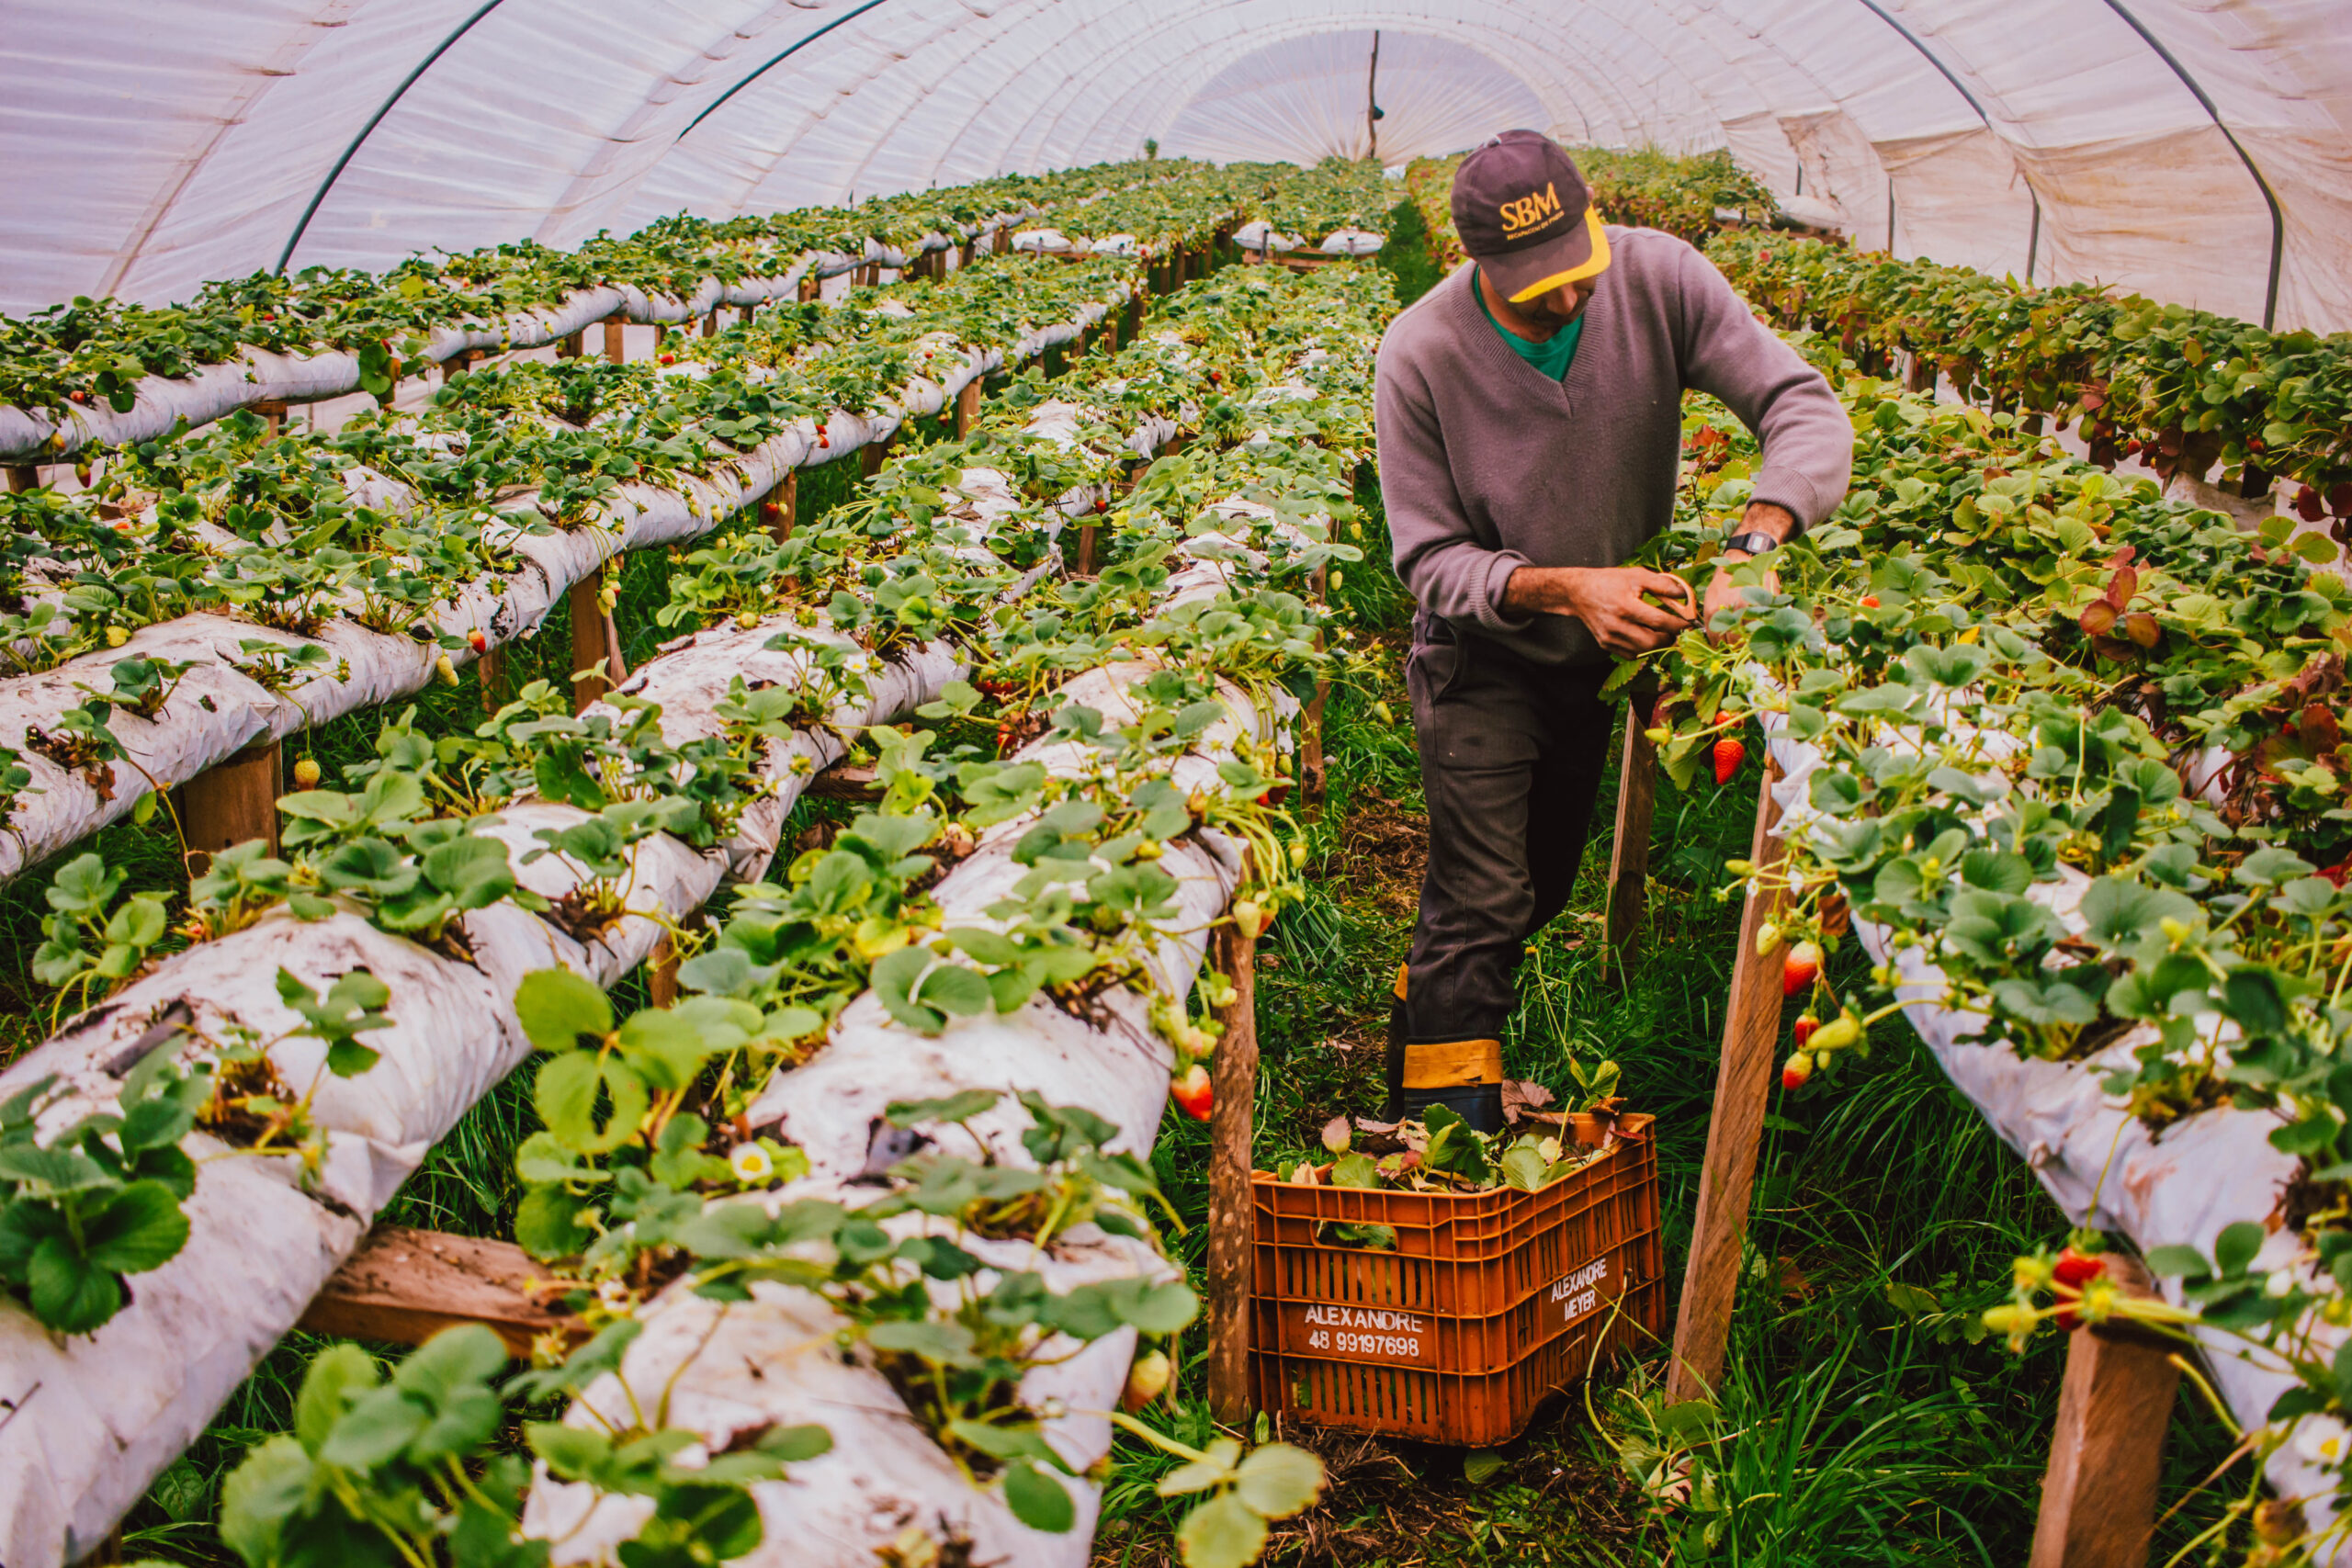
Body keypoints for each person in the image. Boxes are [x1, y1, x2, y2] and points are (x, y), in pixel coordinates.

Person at [1374, 130, 1853, 1130]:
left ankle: (1423, 1024)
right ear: (1474, 264)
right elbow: (1425, 560)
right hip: (1481, 655)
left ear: (1597, 223)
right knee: (1483, 895)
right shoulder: (1419, 354)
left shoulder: (1659, 279)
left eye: (1576, 272)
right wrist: (1564, 589)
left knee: (1539, 885)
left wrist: (1754, 540)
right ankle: (1447, 1145)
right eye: (1531, 288)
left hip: (1594, 659)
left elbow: (1801, 406)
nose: (1564, 300)